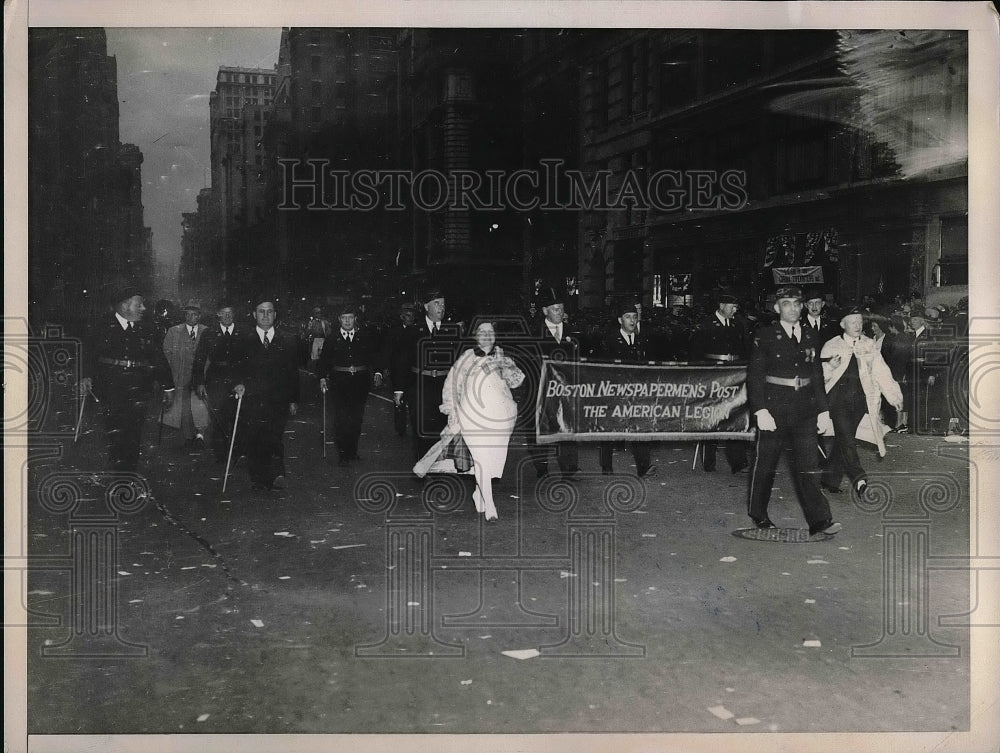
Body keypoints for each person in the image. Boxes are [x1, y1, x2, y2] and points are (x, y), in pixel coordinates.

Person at [747, 286, 840, 538]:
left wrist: (823, 411)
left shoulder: (810, 335)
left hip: (805, 409)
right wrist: (760, 410)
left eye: (797, 303)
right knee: (766, 463)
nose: (793, 308)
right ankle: (759, 513)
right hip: (774, 407)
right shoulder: (764, 335)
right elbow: (755, 376)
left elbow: (817, 375)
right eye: (786, 303)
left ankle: (820, 519)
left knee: (809, 465)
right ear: (777, 308)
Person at [415, 322, 525, 521]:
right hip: (471, 416)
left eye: (490, 332)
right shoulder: (466, 357)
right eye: (482, 332)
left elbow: (517, 381)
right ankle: (490, 505)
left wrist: (504, 365)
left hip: (499, 417)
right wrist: (450, 409)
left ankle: (479, 492)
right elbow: (451, 384)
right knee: (481, 457)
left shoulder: (502, 355)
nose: (487, 336)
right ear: (475, 336)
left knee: (490, 460)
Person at [79, 287, 175, 473]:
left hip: (139, 389)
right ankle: (118, 469)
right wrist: (86, 375)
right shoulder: (102, 325)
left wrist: (168, 387)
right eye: (139, 304)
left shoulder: (147, 328)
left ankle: (127, 474)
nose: (144, 308)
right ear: (124, 306)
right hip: (110, 388)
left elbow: (158, 358)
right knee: (115, 431)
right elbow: (89, 352)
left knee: (134, 433)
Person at [820, 308, 904, 496]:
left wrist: (894, 396)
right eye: (853, 322)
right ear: (843, 324)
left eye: (859, 322)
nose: (857, 326)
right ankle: (860, 479)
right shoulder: (831, 345)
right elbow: (820, 375)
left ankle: (829, 479)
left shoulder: (868, 344)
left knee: (845, 437)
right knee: (847, 438)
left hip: (861, 400)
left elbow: (881, 370)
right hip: (837, 400)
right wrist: (829, 367)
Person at [232, 295, 300, 491]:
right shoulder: (244, 339)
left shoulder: (287, 340)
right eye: (261, 311)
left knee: (275, 436)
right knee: (255, 438)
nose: (265, 315)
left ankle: (278, 474)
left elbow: (292, 372)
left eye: (269, 311)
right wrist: (238, 383)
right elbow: (236, 367)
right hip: (253, 399)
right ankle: (259, 478)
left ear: (275, 315)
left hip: (278, 399)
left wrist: (294, 399)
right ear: (254, 314)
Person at [394, 289, 462, 461]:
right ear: (426, 307)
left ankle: (436, 465)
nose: (442, 308)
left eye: (443, 304)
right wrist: (399, 389)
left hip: (443, 385)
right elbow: (402, 362)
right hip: (419, 385)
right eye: (437, 303)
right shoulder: (413, 331)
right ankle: (424, 466)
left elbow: (460, 361)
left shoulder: (452, 330)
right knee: (421, 427)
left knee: (441, 427)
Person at [522, 286, 580, 479]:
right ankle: (542, 467)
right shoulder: (533, 333)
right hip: (541, 390)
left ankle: (569, 469)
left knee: (568, 425)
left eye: (562, 309)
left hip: (567, 390)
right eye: (555, 309)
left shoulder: (574, 332)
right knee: (541, 427)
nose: (560, 313)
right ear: (545, 311)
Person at [689, 291, 751, 473]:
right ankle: (709, 461)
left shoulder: (738, 324)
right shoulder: (706, 325)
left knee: (735, 415)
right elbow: (695, 353)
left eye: (736, 306)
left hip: (734, 377)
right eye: (733, 306)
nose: (735, 310)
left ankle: (738, 463)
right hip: (713, 375)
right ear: (722, 306)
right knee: (712, 416)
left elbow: (745, 350)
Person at [317, 301, 384, 466]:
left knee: (356, 418)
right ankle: (343, 454)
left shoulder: (364, 336)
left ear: (355, 319)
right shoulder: (332, 339)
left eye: (350, 318)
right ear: (339, 319)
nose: (347, 321)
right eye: (344, 318)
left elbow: (374, 356)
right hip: (339, 382)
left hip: (360, 382)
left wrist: (377, 371)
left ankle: (352, 450)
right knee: (341, 418)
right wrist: (322, 377)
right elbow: (324, 360)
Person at [598, 300, 656, 478]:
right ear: (619, 320)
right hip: (615, 392)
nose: (632, 321)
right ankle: (606, 466)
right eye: (628, 317)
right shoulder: (608, 341)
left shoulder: (642, 341)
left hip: (637, 392)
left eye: (634, 317)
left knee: (640, 428)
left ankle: (644, 467)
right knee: (610, 430)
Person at [191, 300, 248, 463]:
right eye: (224, 312)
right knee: (219, 417)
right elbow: (199, 360)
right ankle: (221, 455)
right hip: (216, 379)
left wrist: (245, 380)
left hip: (238, 379)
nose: (227, 315)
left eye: (230, 312)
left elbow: (248, 359)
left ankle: (238, 453)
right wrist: (199, 383)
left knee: (238, 416)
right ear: (218, 314)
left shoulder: (243, 333)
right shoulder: (209, 333)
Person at [161, 299, 209, 447]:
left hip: (201, 376)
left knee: (200, 405)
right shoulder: (173, 331)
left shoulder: (207, 331)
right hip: (180, 376)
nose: (190, 317)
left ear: (199, 316)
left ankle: (200, 434)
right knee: (185, 407)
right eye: (187, 314)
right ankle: (189, 436)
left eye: (194, 314)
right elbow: (166, 353)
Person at [382, 302, 417, 436]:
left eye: (412, 315)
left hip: (413, 374)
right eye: (407, 315)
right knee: (399, 403)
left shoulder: (418, 331)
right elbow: (388, 351)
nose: (410, 318)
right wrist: (386, 368)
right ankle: (400, 428)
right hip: (398, 373)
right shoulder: (394, 332)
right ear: (402, 317)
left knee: (414, 403)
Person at [305, 305, 332, 372]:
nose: (318, 314)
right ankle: (314, 370)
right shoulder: (311, 322)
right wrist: (309, 328)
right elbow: (307, 332)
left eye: (319, 312)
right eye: (316, 313)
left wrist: (327, 338)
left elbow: (329, 331)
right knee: (314, 357)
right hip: (315, 340)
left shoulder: (325, 322)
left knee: (323, 356)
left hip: (323, 340)